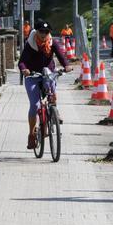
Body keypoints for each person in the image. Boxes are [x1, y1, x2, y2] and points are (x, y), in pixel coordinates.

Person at [19, 20, 71, 150]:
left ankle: (53, 110)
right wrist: (24, 69)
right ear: (36, 32)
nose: (44, 34)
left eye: (46, 32)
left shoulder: (52, 42)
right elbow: (22, 61)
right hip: (33, 75)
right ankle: (31, 134)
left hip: (47, 72)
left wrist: (66, 65)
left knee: (51, 85)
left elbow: (60, 55)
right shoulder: (30, 44)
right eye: (41, 31)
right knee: (35, 104)